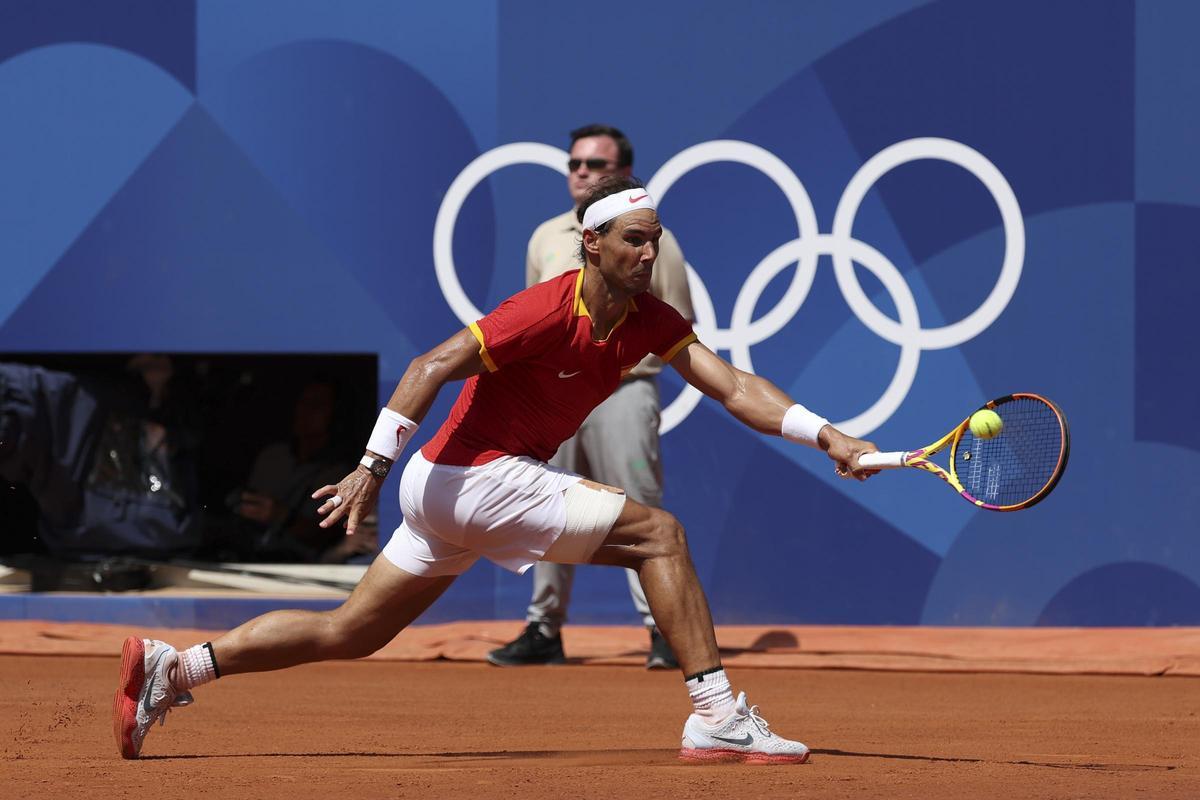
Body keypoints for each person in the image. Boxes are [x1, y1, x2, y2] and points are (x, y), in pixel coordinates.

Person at [113, 176, 878, 764]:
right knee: (661, 536)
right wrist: (370, 468)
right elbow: (431, 362)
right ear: (592, 243)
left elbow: (735, 386)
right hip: (468, 475)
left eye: (656, 241)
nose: (649, 254)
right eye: (634, 242)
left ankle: (175, 671)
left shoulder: (650, 318)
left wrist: (829, 435)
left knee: (349, 631)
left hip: (450, 488)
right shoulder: (545, 309)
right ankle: (717, 716)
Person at [489, 124, 693, 670]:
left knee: (639, 510)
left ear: (621, 174)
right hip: (550, 400)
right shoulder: (544, 237)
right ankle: (543, 628)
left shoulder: (648, 242)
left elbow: (677, 319)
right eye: (575, 163)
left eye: (595, 166)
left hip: (623, 394)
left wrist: (619, 360)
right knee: (543, 507)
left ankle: (663, 630)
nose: (582, 172)